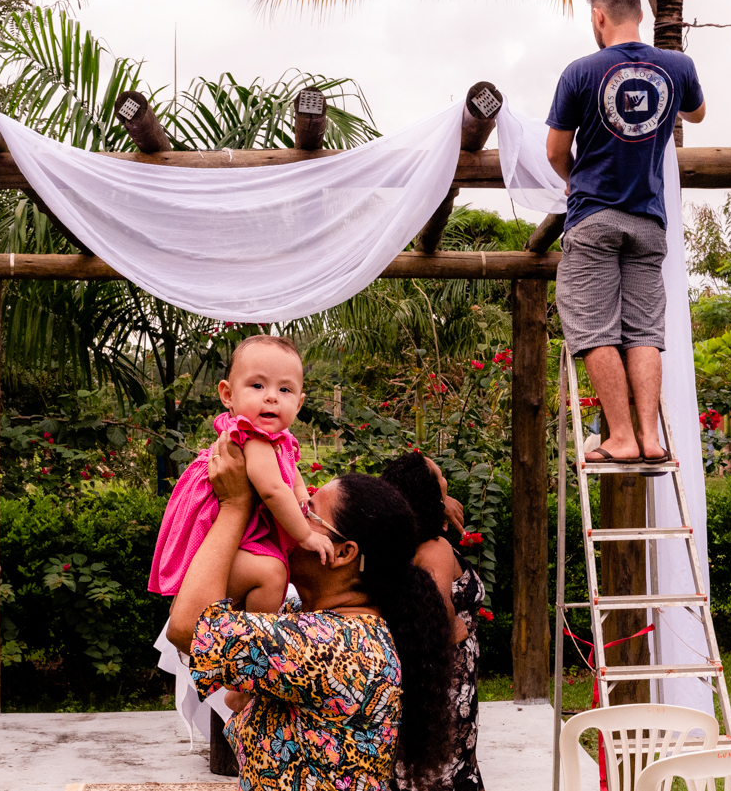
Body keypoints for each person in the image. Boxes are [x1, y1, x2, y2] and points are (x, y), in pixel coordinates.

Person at [166, 432, 455, 790]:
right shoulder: (311, 618)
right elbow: (196, 607)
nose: (292, 514)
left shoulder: (335, 645)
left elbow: (189, 629)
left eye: (309, 511)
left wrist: (235, 506)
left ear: (344, 553)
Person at [545, 0, 706, 465]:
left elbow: (555, 151)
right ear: (642, 12)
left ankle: (621, 437)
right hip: (649, 223)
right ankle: (651, 438)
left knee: (593, 330)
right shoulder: (677, 68)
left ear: (598, 17)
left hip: (594, 218)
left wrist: (575, 182)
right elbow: (697, 112)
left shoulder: (580, 72)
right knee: (643, 332)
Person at [148, 335, 333, 612]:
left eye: (285, 390)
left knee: (267, 572)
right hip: (221, 531)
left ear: (298, 403)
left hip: (237, 534)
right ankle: (255, 634)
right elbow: (272, 489)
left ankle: (239, 619)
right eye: (257, 385)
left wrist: (301, 495)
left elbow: (291, 470)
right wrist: (306, 535)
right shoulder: (252, 439)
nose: (271, 396)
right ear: (228, 395)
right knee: (273, 574)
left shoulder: (278, 439)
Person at [382, 453, 486, 791]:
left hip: (428, 676)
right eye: (439, 475)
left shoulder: (397, 544)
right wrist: (463, 627)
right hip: (445, 678)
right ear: (428, 494)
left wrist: (441, 502)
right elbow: (436, 620)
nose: (445, 479)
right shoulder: (434, 549)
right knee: (444, 772)